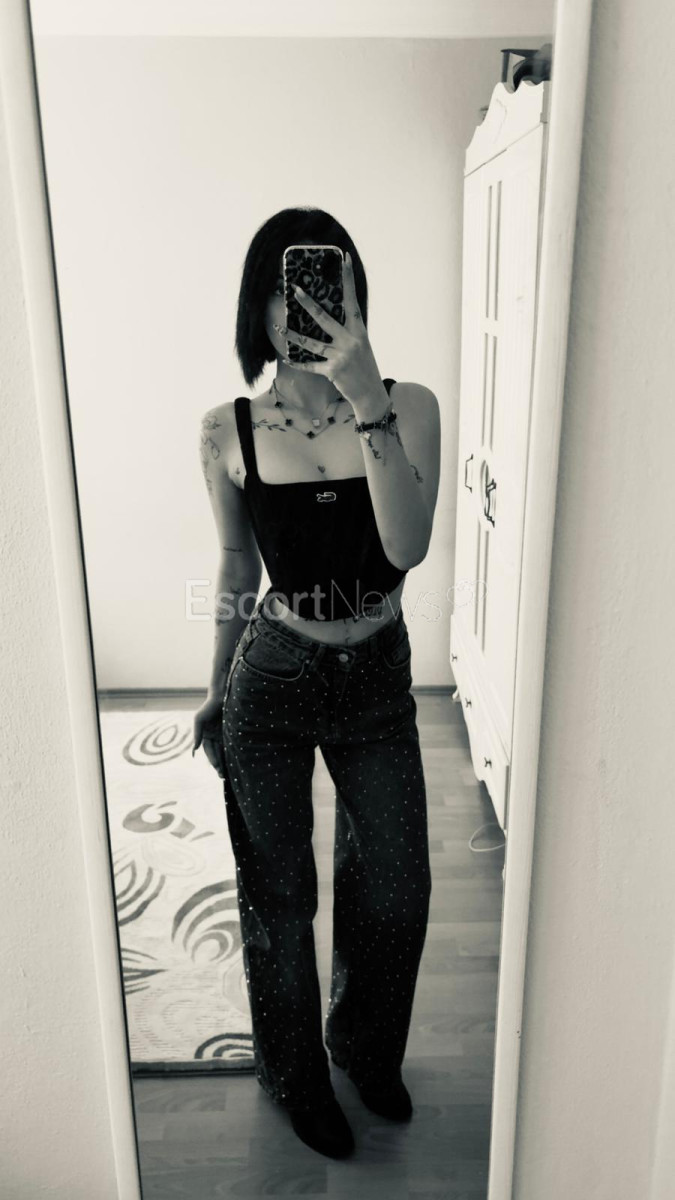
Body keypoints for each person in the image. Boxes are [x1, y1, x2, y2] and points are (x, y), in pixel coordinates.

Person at [192, 207, 440, 1159]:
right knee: (279, 897)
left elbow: (404, 548)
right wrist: (215, 686)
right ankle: (297, 1076)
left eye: (325, 284)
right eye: (283, 288)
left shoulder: (408, 404)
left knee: (397, 889)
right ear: (256, 307)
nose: (302, 307)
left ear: (354, 296)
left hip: (377, 678)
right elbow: (233, 566)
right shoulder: (226, 429)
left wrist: (364, 394)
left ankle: (365, 1050)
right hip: (274, 675)